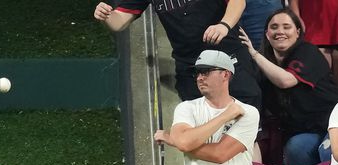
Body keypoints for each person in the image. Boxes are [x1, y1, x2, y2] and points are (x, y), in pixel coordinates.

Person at [154, 50, 261, 165]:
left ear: (225, 74)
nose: (199, 78)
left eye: (206, 72)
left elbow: (220, 154)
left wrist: (174, 140)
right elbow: (183, 142)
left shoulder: (248, 112)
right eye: (197, 73)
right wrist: (225, 116)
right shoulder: (186, 108)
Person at [94, 0, 263, 109]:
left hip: (228, 56)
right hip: (191, 66)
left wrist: (224, 25)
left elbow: (238, 2)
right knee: (198, 129)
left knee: (248, 126)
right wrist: (106, 16)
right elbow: (119, 22)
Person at [240, 8, 338, 165]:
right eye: (274, 27)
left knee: (328, 150)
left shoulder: (308, 51)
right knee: (296, 147)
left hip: (336, 123)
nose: (280, 31)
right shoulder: (263, 68)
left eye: (286, 26)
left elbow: (285, 80)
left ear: (297, 32)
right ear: (267, 34)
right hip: (306, 131)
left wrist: (253, 53)